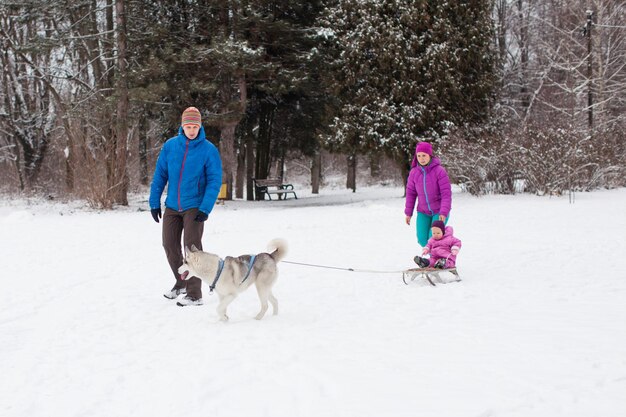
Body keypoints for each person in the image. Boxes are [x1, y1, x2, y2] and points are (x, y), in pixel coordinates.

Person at [149, 106, 223, 307]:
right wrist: (154, 202)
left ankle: (194, 294)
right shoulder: (171, 146)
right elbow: (160, 175)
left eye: (195, 126)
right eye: (188, 126)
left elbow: (215, 180)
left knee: (192, 249)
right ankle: (181, 282)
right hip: (172, 205)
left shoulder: (208, 150)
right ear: (182, 126)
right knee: (169, 245)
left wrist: (205, 207)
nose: (191, 130)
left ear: (200, 126)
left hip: (194, 206)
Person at [404, 141, 452, 248]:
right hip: (423, 211)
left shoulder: (439, 171)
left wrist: (443, 212)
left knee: (433, 238)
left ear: (430, 155)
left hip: (439, 211)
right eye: (419, 156)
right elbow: (411, 193)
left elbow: (446, 194)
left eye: (424, 155)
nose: (421, 158)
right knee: (422, 240)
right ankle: (438, 254)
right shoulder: (414, 173)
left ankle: (437, 259)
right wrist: (408, 212)